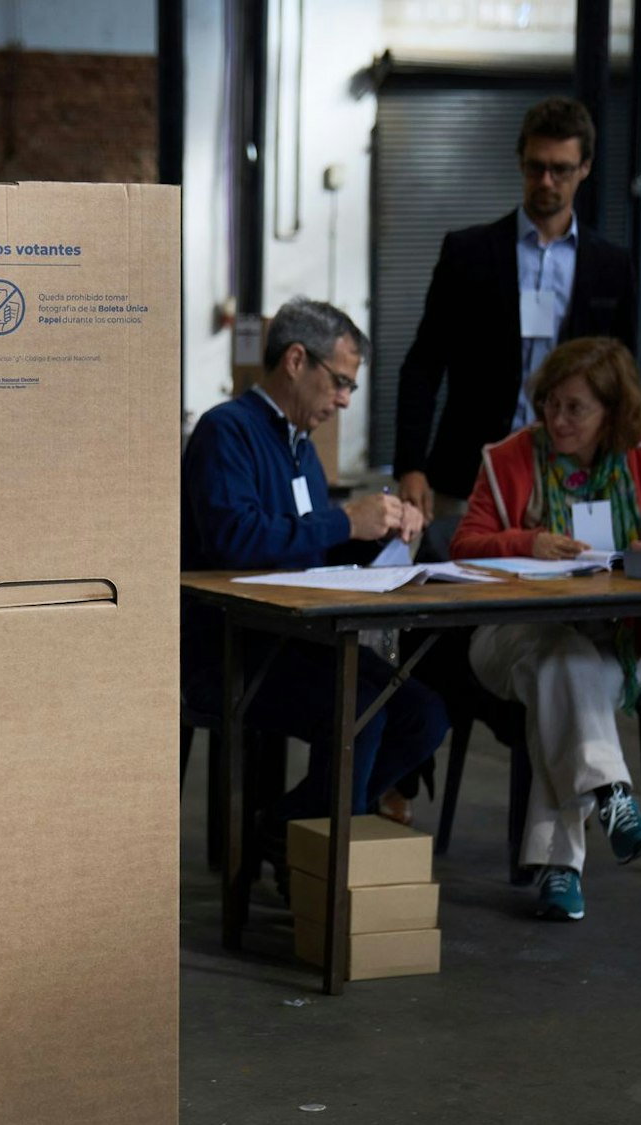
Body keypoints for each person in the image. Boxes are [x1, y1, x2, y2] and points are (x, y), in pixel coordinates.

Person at [450, 337, 641, 921]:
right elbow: (464, 545)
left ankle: (562, 865)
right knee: (559, 660)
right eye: (550, 404)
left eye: (576, 408)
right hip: (508, 640)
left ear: (612, 412)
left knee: (566, 669)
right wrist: (527, 541)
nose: (557, 419)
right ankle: (612, 799)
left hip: (610, 645)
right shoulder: (510, 458)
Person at [182, 297, 450, 851]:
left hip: (296, 638)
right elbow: (236, 540)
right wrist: (343, 521)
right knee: (356, 712)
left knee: (422, 713)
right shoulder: (226, 431)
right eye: (340, 382)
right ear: (297, 360)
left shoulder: (300, 447)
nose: (346, 400)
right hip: (231, 645)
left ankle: (289, 832)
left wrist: (382, 542)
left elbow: (312, 552)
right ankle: (322, 864)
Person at [393, 96, 639, 559]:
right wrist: (410, 467)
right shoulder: (467, 254)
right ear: (520, 162)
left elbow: (627, 380)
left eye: (560, 169)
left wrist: (628, 466)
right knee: (453, 606)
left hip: (575, 471)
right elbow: (422, 365)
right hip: (469, 469)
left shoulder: (610, 266)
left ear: (584, 168)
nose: (546, 181)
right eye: (535, 167)